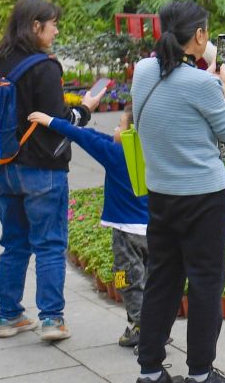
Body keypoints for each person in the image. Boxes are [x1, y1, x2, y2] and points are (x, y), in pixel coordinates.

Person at [128, 0, 225, 383]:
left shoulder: (143, 71)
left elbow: (172, 95)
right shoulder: (203, 85)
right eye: (206, 32)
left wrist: (209, 79)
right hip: (203, 197)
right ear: (198, 36)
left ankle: (149, 375)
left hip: (162, 194)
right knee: (206, 282)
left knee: (162, 279)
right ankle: (199, 377)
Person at [0, 0, 102, 343]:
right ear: (36, 26)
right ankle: (51, 320)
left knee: (14, 243)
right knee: (49, 243)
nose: (57, 29)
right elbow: (57, 122)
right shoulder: (44, 66)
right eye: (53, 23)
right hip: (41, 169)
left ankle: (9, 316)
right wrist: (86, 110)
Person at [27, 108, 148, 348]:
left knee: (125, 279)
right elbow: (96, 137)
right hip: (155, 232)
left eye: (119, 125)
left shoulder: (115, 154)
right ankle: (153, 324)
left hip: (126, 235)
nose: (114, 129)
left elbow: (87, 140)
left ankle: (142, 329)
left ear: (130, 133)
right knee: (151, 280)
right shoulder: (150, 152)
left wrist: (51, 121)